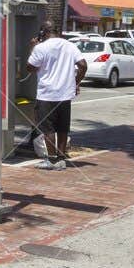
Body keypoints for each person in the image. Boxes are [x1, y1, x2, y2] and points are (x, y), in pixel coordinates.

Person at [27, 21, 87, 169]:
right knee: (62, 128)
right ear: (58, 32)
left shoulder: (40, 47)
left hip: (47, 94)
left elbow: (30, 68)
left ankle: (52, 160)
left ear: (43, 33)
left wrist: (32, 48)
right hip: (65, 94)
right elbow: (83, 65)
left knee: (48, 128)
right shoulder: (70, 46)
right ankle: (61, 159)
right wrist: (75, 82)